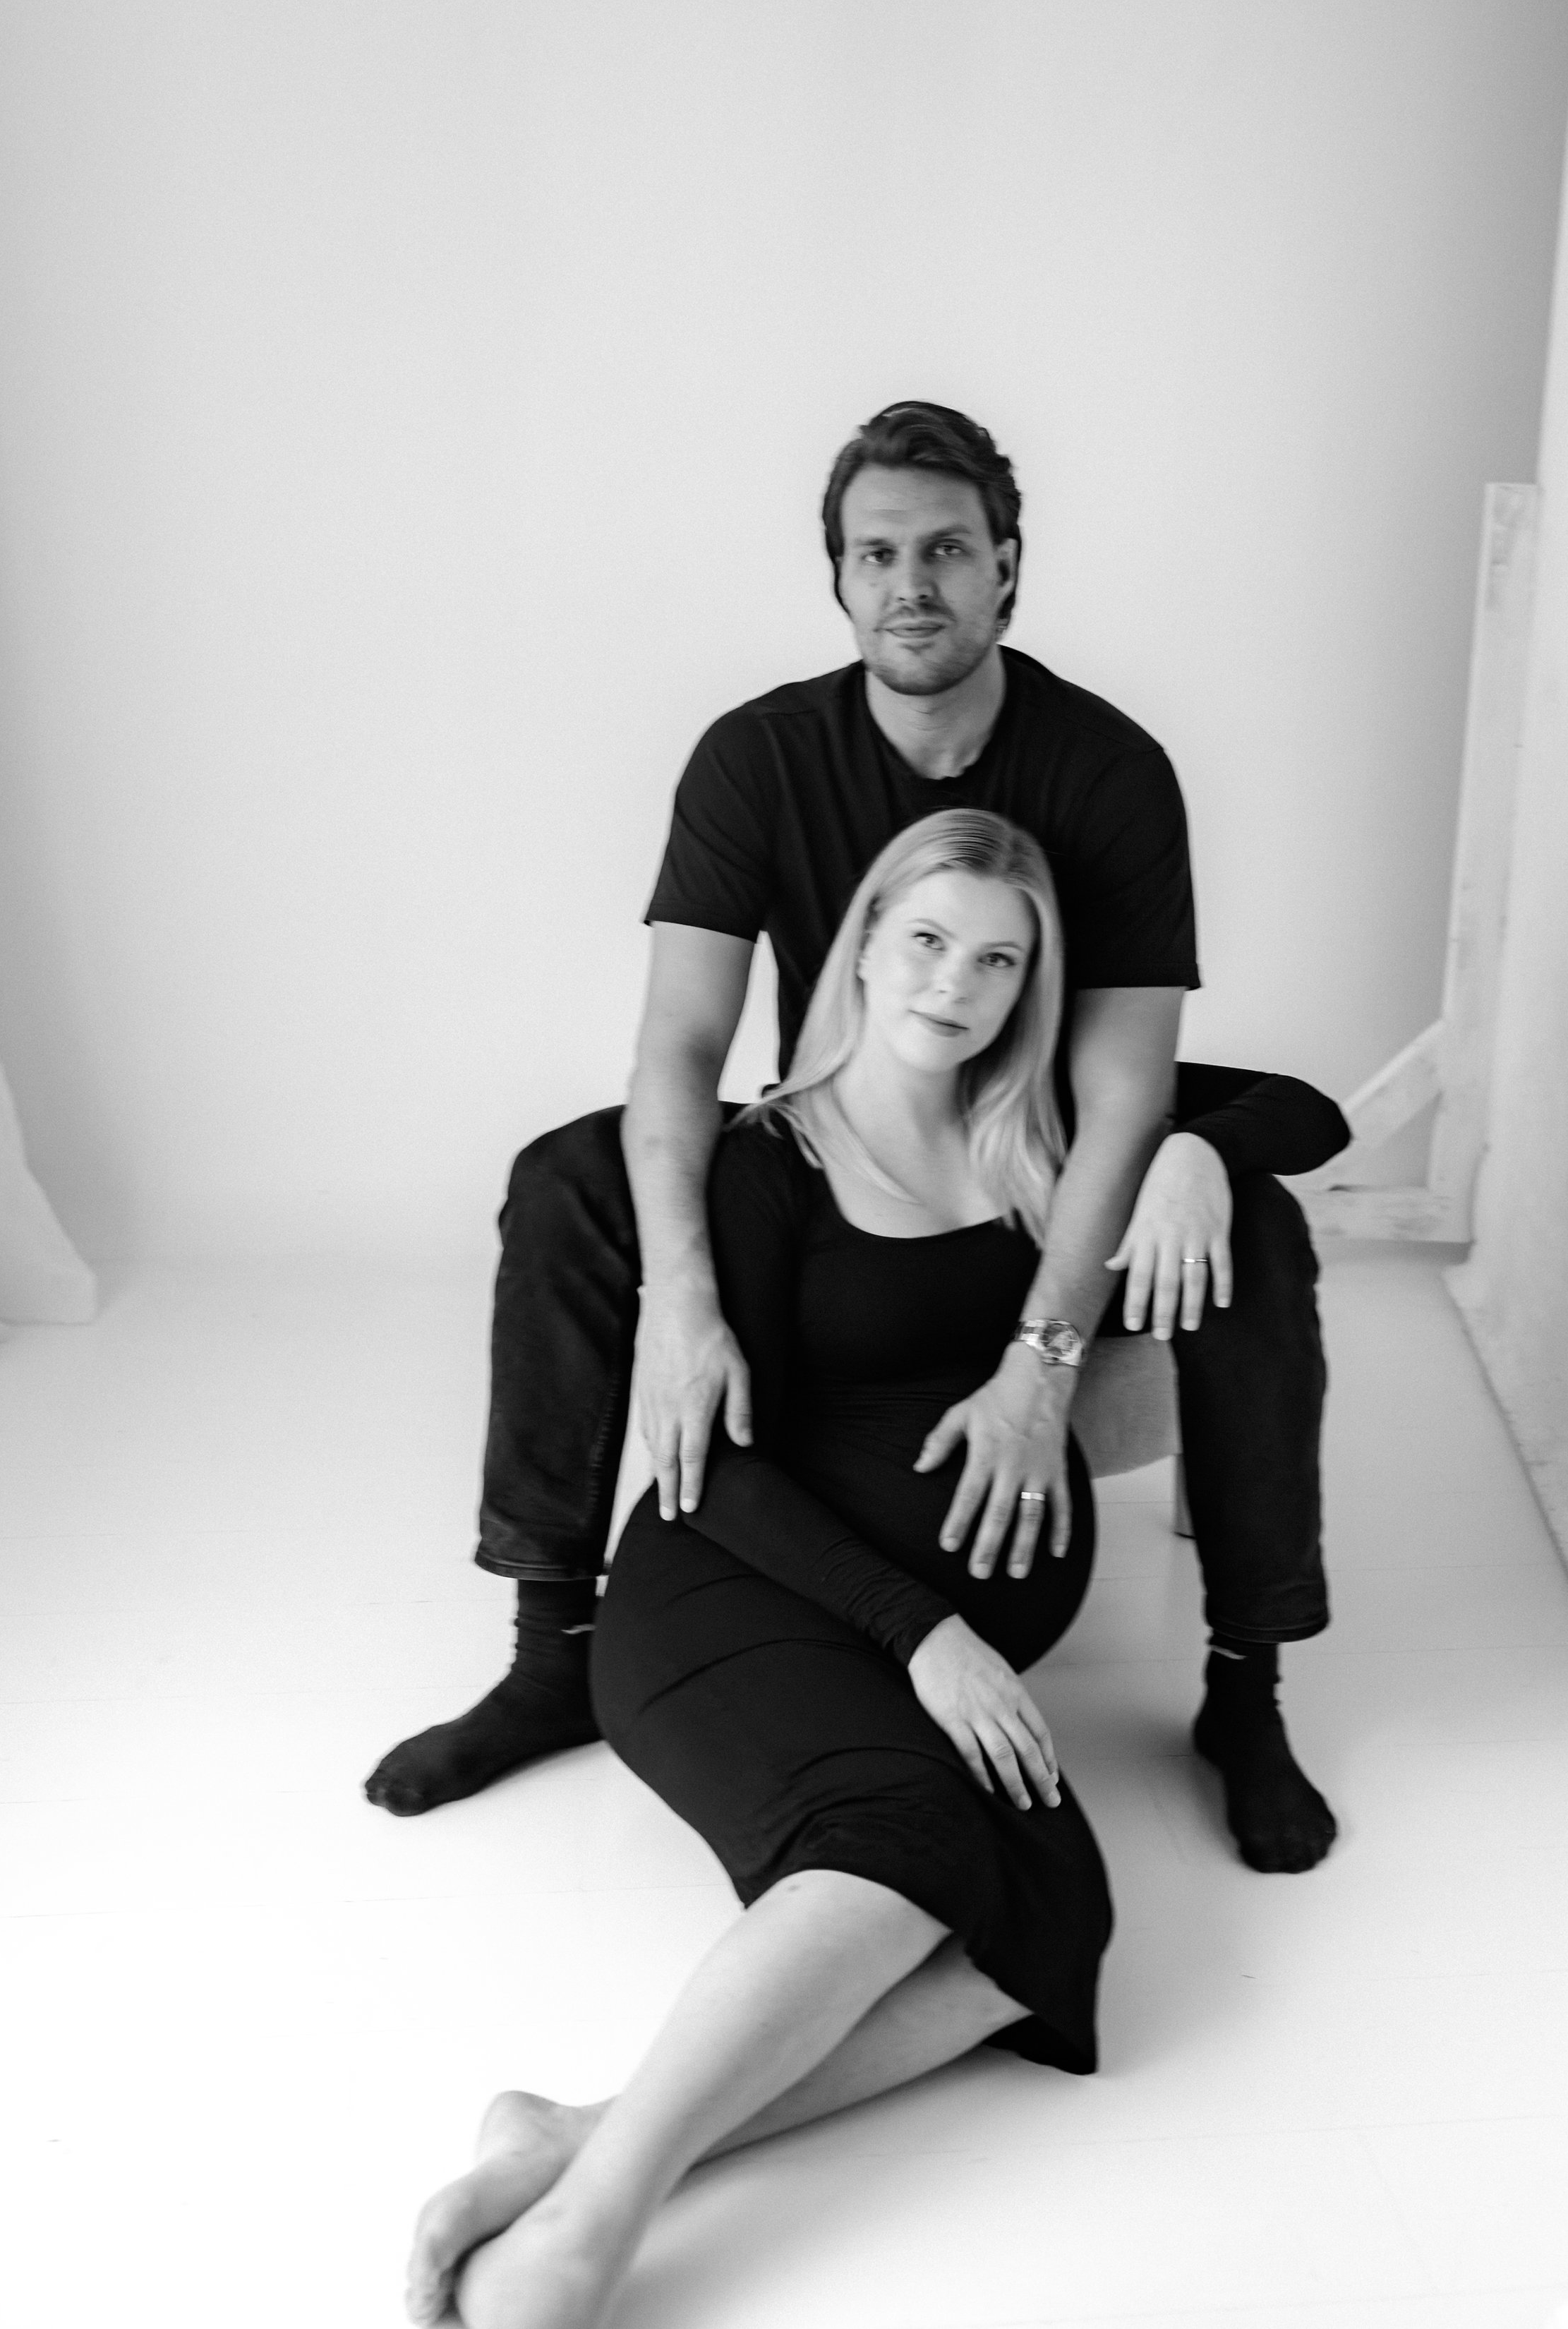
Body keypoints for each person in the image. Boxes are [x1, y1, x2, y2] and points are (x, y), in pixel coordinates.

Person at [366, 400, 1350, 1871]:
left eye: (947, 549)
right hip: (846, 1127)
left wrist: (1044, 1358)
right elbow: (682, 1046)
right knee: (565, 1178)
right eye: (875, 552)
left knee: (1250, 1225)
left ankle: (1244, 1686)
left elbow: (1130, 1086)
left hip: (1036, 1127)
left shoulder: (1108, 768)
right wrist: (685, 1304)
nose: (912, 582)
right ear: (835, 578)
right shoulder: (755, 758)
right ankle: (550, 1639)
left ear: (1007, 568)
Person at [406, 813, 1116, 2329]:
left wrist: (1185, 1155)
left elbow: (1290, 1118)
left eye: (1000, 960)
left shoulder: (1037, 1146)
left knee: (1052, 1922)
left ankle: (569, 2136)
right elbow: (705, 1466)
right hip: (730, 1589)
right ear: (859, 943)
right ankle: (591, 2229)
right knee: (906, 1835)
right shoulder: (766, 1160)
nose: (957, 985)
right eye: (925, 941)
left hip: (900, 1628)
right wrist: (923, 1628)